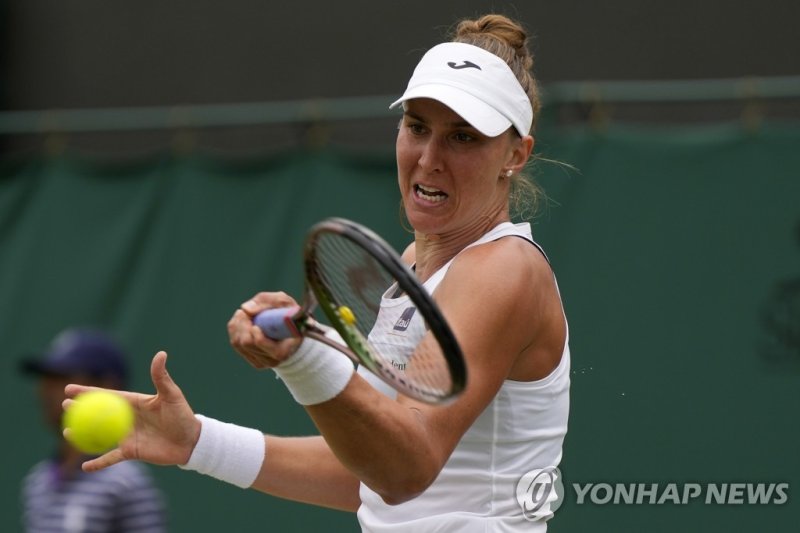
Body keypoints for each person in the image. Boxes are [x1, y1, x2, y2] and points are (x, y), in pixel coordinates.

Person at [66, 13, 570, 532]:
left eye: (462, 138)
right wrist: (197, 442)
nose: (429, 158)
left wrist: (303, 357)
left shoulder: (505, 269)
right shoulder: (414, 271)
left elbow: (406, 468)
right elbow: (368, 477)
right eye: (417, 127)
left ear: (516, 154)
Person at [20, 328, 167, 533]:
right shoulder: (37, 483)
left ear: (105, 387)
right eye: (45, 378)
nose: (44, 389)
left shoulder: (127, 483)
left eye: (60, 377)